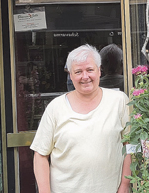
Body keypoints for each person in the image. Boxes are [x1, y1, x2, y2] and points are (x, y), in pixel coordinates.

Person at [31, 44, 131, 193]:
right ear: (71, 76)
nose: (85, 77)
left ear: (99, 71)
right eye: (78, 72)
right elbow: (40, 154)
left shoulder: (119, 101)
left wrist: (124, 186)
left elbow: (129, 146)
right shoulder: (55, 108)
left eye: (90, 70)